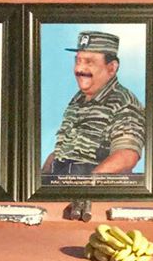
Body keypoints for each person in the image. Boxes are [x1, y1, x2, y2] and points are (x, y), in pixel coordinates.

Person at [42, 31, 145, 177]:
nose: (79, 69)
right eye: (78, 61)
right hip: (61, 182)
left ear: (112, 68)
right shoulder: (77, 100)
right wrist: (42, 179)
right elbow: (63, 152)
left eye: (89, 62)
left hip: (91, 185)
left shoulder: (124, 103)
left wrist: (88, 185)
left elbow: (126, 157)